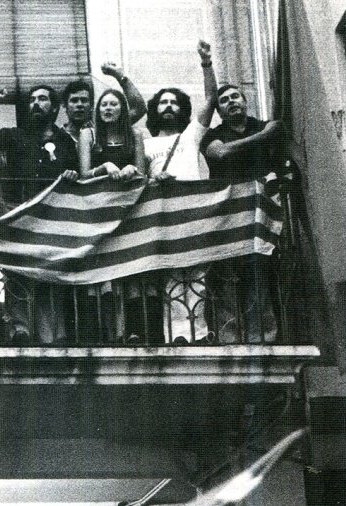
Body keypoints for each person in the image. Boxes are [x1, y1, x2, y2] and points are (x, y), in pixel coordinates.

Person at [0, 84, 79, 344]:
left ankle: (53, 333)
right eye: (32, 100)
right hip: (19, 214)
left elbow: (76, 174)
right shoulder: (15, 135)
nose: (36, 104)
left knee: (50, 270)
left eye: (43, 99)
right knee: (18, 270)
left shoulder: (65, 142)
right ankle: (20, 329)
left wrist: (71, 175)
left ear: (54, 107)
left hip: (53, 218)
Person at [201, 66, 286, 343]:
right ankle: (229, 339)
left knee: (258, 274)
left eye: (236, 97)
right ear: (219, 109)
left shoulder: (260, 125)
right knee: (226, 275)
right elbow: (221, 152)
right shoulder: (214, 135)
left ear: (245, 101)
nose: (231, 102)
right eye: (224, 100)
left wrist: (265, 133)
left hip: (259, 216)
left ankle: (262, 337)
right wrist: (263, 135)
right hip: (225, 217)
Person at [142, 40, 218, 345]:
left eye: (174, 102)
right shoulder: (146, 145)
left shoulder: (191, 135)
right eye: (163, 102)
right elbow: (140, 182)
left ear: (182, 109)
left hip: (192, 209)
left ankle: (199, 333)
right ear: (155, 110)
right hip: (163, 213)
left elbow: (212, 99)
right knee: (171, 274)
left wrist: (206, 62)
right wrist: (154, 178)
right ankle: (175, 335)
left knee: (197, 271)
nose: (169, 106)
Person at [75, 88, 146, 342]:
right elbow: (83, 174)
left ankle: (133, 330)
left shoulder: (135, 135)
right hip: (98, 211)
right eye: (103, 104)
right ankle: (104, 333)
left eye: (114, 104)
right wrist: (105, 167)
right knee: (101, 272)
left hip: (127, 211)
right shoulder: (88, 135)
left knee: (128, 268)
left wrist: (130, 168)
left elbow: (142, 175)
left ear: (122, 110)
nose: (108, 108)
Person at [61, 62, 147, 143]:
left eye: (84, 100)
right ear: (65, 105)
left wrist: (119, 76)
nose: (79, 105)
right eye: (74, 100)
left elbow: (139, 109)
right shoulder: (58, 136)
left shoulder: (104, 128)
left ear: (91, 105)